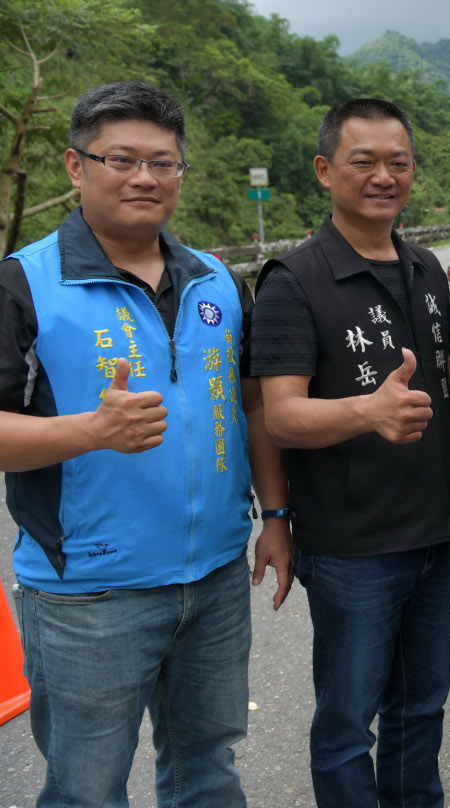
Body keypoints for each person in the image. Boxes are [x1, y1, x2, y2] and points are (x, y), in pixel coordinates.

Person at [0, 81, 292, 807]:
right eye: (121, 159)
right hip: (88, 594)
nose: (144, 178)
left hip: (215, 578)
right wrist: (91, 431)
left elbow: (252, 406)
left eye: (163, 163)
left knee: (208, 769)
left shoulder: (216, 280)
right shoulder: (25, 284)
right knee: (86, 789)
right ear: (76, 166)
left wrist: (276, 517)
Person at [247, 98, 450, 807]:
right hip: (351, 546)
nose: (383, 176)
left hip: (434, 532)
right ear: (324, 170)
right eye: (363, 161)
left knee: (422, 707)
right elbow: (278, 416)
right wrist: (367, 412)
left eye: (398, 162)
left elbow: (443, 383)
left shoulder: (427, 269)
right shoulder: (293, 280)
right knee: (347, 723)